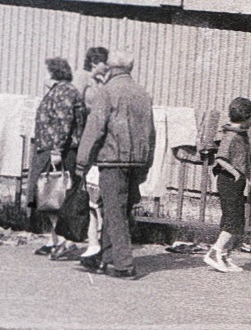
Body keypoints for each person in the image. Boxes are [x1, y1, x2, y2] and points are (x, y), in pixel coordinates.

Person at [74, 48, 155, 279]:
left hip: (112, 160)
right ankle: (105, 257)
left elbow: (95, 129)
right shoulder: (142, 94)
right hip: (137, 161)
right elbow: (151, 133)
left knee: (114, 212)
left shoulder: (106, 92)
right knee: (118, 209)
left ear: (111, 67)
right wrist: (146, 164)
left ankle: (124, 264)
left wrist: (82, 162)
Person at [28, 56, 84, 257]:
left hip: (61, 152)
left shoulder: (64, 92)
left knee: (56, 195)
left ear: (53, 72)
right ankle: (55, 240)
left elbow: (63, 123)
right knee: (49, 195)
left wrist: (56, 152)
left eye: (45, 71)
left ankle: (62, 240)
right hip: (54, 150)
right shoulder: (60, 91)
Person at [205, 97, 251, 273]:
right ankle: (215, 251)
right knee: (232, 218)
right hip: (229, 180)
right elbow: (220, 158)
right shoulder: (231, 135)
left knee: (236, 218)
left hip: (236, 180)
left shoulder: (240, 135)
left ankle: (225, 256)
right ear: (245, 117)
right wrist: (235, 172)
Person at [72, 46, 109, 260]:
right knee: (85, 191)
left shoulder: (101, 81)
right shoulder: (82, 76)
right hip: (84, 137)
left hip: (97, 140)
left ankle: (96, 241)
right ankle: (88, 238)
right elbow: (75, 104)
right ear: (96, 62)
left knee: (95, 192)